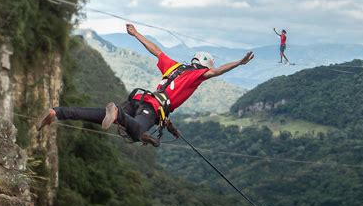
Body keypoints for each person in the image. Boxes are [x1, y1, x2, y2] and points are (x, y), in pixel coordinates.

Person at [37, 23, 254, 147]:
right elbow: (217, 71)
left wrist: (136, 33)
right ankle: (117, 113)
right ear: (203, 66)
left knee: (97, 115)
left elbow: (156, 50)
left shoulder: (175, 67)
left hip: (140, 100)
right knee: (136, 131)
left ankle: (57, 112)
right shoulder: (197, 75)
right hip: (151, 109)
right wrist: (239, 63)